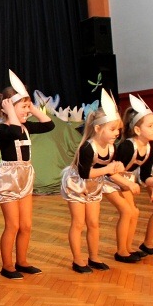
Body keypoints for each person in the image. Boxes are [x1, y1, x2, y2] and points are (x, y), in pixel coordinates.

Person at [0, 70, 54, 279]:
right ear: (8, 107)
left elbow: (49, 125)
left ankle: (22, 261)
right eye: (23, 107)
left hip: (25, 177)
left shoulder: (26, 126)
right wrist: (11, 112)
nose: (27, 111)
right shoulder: (3, 129)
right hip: (9, 179)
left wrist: (32, 108)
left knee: (26, 225)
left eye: (28, 107)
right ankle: (7, 266)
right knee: (13, 225)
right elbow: (15, 132)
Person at [61, 89, 121, 274]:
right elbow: (85, 173)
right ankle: (77, 260)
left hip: (94, 186)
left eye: (118, 129)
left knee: (94, 223)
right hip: (77, 185)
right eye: (112, 129)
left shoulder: (111, 147)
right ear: (98, 129)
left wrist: (125, 181)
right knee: (78, 223)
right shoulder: (87, 147)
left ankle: (94, 257)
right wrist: (108, 169)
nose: (117, 133)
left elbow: (109, 171)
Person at [108, 95, 153, 263]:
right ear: (137, 130)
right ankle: (121, 252)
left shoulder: (150, 148)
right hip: (110, 181)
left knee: (134, 212)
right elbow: (110, 172)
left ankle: (128, 248)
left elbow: (145, 175)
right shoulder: (127, 146)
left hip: (124, 181)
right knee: (127, 211)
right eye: (150, 126)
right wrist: (128, 183)